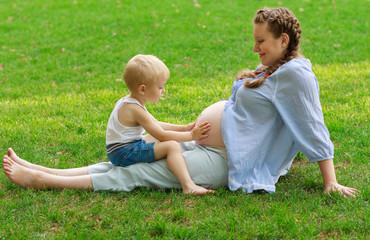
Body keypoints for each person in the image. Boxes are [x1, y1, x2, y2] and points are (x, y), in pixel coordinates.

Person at [2, 7, 358, 197]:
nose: (254, 48)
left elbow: (310, 124)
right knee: (136, 153)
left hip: (225, 160)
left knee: (137, 171)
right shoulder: (273, 66)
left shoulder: (295, 74)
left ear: (283, 40)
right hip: (209, 144)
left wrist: (329, 180)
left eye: (261, 41)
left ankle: (42, 181)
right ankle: (45, 170)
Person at [105, 54, 213, 195]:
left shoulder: (130, 101)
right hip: (123, 154)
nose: (163, 91)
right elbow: (162, 135)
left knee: (154, 137)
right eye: (160, 87)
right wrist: (191, 135)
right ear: (142, 89)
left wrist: (184, 128)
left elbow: (156, 124)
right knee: (171, 146)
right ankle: (188, 186)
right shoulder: (135, 109)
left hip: (121, 149)